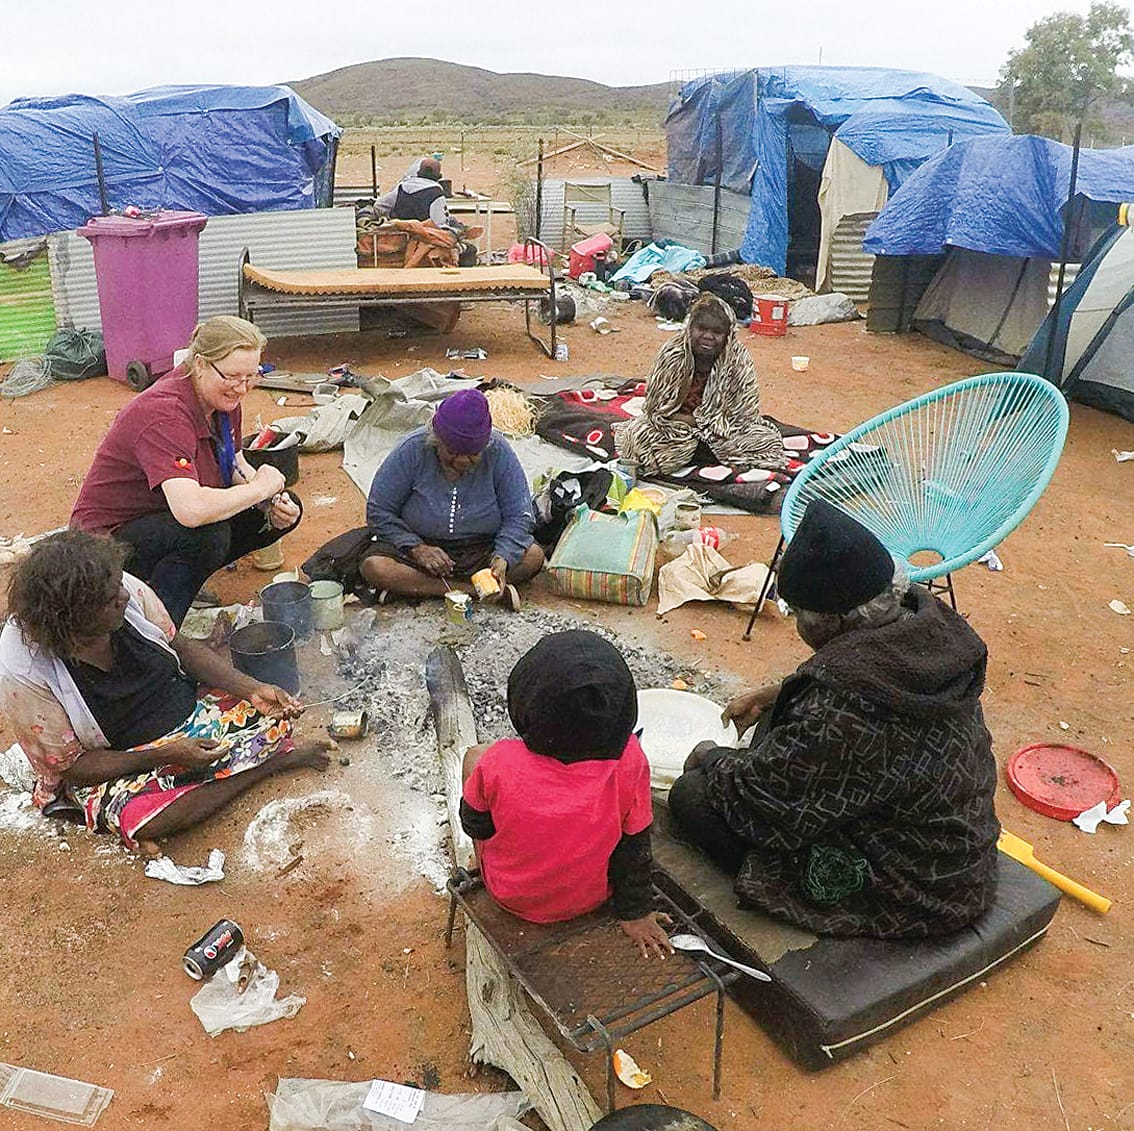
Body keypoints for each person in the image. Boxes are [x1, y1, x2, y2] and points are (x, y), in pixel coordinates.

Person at [668, 500, 999, 938]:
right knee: (775, 722)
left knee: (691, 796)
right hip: (957, 855)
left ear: (836, 620)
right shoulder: (930, 632)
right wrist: (784, 692)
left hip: (916, 889)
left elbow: (759, 800)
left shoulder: (845, 708)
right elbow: (857, 696)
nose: (796, 624)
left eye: (798, 613)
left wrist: (710, 758)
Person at [0, 531, 329, 851]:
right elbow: (72, 767)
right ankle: (267, 766)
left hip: (190, 717)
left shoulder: (116, 586)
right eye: (109, 599)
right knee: (146, 819)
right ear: (75, 618)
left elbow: (181, 647)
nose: (123, 596)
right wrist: (165, 755)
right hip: (122, 761)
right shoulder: (23, 665)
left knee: (275, 714)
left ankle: (218, 772)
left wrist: (252, 689)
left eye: (118, 586)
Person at [70, 316, 302, 628]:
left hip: (162, 517)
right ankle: (155, 633)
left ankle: (182, 581)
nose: (242, 388)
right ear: (201, 364)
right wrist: (260, 489)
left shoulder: (222, 399)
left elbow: (234, 463)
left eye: (251, 377)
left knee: (281, 512)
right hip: (103, 545)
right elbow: (191, 512)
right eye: (233, 376)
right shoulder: (164, 414)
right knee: (207, 535)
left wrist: (269, 502)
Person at [460, 630, 673, 959]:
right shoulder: (631, 758)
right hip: (588, 899)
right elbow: (636, 844)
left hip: (510, 895)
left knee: (473, 756)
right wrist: (636, 912)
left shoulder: (499, 762)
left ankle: (484, 864)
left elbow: (475, 824)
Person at [358, 388, 544, 608]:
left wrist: (503, 556)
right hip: (419, 547)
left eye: (473, 454)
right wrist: (417, 549)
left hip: (482, 549)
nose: (463, 461)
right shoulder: (412, 450)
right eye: (453, 452)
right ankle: (474, 592)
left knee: (534, 556)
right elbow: (379, 511)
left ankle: (417, 589)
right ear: (436, 440)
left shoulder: (499, 451)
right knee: (375, 567)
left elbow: (519, 514)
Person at [613, 292, 785, 476]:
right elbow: (656, 410)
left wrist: (708, 428)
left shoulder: (738, 362)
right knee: (638, 437)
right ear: (689, 328)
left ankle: (702, 453)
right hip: (673, 428)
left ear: (728, 336)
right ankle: (702, 454)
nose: (708, 336)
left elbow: (742, 416)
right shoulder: (673, 355)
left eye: (717, 332)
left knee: (768, 441)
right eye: (701, 329)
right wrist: (697, 424)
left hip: (723, 433)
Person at [374, 156, 454, 231]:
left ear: (419, 172)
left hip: (400, 234)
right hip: (423, 236)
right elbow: (440, 222)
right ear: (438, 175)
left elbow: (379, 206)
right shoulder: (436, 192)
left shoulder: (402, 187)